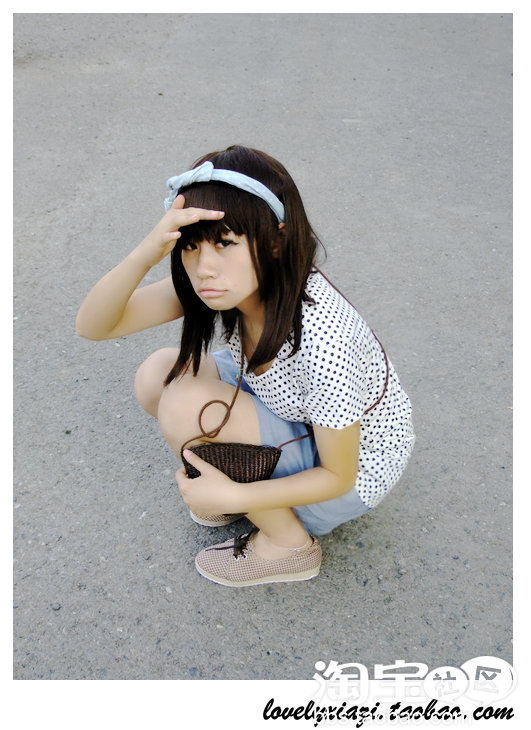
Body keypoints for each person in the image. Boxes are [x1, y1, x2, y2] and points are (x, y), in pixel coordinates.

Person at [76, 145, 415, 587]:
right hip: (292, 412)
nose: (204, 267)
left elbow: (338, 476)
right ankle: (240, 484)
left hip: (348, 475)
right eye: (191, 245)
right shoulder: (224, 280)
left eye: (225, 242)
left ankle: (288, 546)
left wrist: (234, 493)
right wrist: (147, 251)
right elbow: (95, 325)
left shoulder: (325, 338)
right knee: (156, 376)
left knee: (186, 407)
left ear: (276, 241)